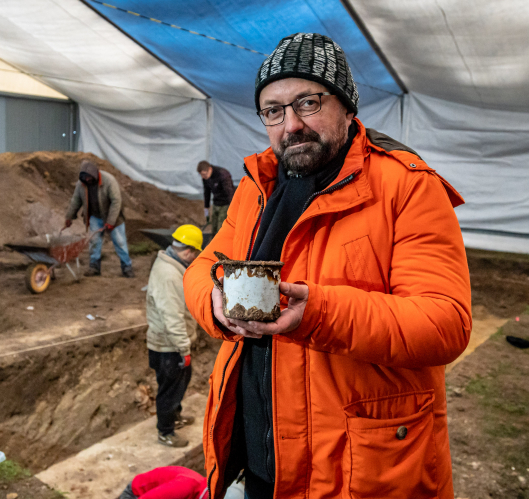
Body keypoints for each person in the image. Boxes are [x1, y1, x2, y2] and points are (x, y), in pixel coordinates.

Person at [183, 33, 472, 499]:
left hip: (358, 470)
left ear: (347, 106)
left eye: (308, 103)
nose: (290, 125)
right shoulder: (258, 186)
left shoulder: (408, 187)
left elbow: (445, 323)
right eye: (273, 111)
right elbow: (203, 265)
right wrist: (213, 303)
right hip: (261, 461)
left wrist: (318, 313)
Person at [146, 225, 202, 447]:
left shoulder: (170, 266)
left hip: (169, 343)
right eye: (196, 253)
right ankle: (166, 431)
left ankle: (174, 417)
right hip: (169, 346)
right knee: (169, 389)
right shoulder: (169, 275)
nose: (196, 257)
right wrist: (184, 348)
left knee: (179, 383)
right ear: (188, 251)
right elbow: (172, 316)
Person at [65, 160, 134, 278]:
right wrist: (69, 217)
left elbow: (116, 202)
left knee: (120, 242)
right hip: (95, 217)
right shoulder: (81, 185)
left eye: (88, 177)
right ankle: (94, 267)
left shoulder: (109, 181)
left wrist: (111, 222)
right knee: (94, 242)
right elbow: (75, 201)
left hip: (113, 217)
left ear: (95, 174)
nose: (87, 180)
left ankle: (127, 267)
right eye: (84, 177)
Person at [197, 161, 235, 234]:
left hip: (225, 204)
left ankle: (220, 242)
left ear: (209, 169)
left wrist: (232, 207)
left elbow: (229, 192)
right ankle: (213, 241)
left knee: (221, 227)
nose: (203, 177)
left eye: (204, 174)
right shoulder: (205, 177)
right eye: (201, 175)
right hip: (216, 203)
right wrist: (206, 207)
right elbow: (207, 191)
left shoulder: (223, 175)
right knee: (214, 226)